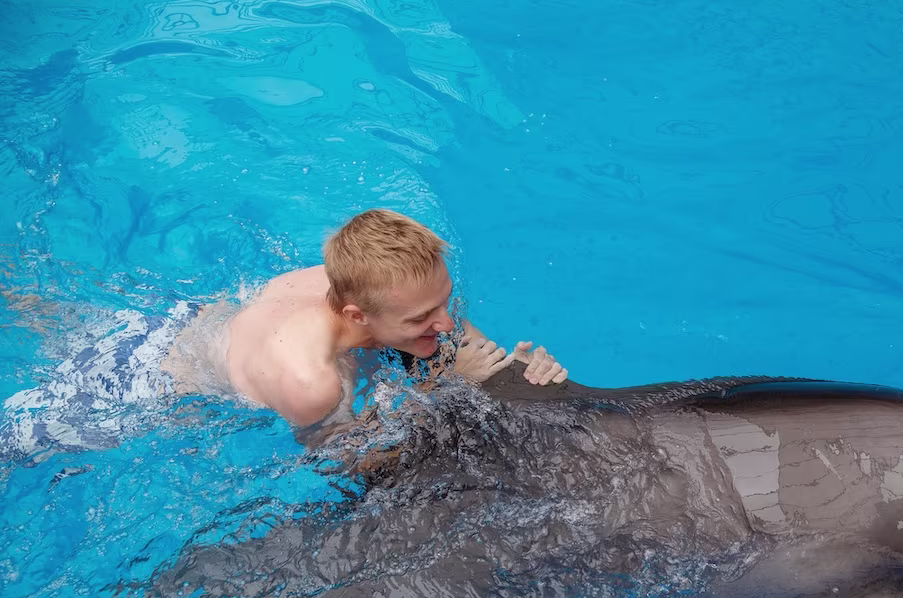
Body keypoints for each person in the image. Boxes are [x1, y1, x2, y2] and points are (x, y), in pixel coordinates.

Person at [1, 209, 567, 464]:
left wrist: (524, 372)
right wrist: (437, 392)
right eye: (422, 319)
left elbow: (465, 349)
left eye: (443, 303)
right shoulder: (312, 383)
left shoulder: (363, 279)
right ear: (357, 314)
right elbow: (352, 462)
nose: (444, 323)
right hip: (141, 386)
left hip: (172, 322)